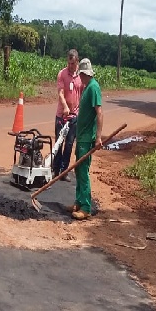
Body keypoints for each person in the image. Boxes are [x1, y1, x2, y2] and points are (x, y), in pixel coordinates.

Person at [71, 58, 103, 220]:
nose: (80, 78)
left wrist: (98, 137)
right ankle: (78, 201)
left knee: (83, 171)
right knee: (78, 170)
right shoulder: (86, 87)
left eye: (81, 75)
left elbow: (99, 113)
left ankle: (85, 207)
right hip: (81, 136)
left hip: (87, 138)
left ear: (84, 74)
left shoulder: (93, 88)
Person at [52, 49, 83, 182]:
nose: (70, 66)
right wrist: (65, 106)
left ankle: (64, 171)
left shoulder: (81, 77)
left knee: (69, 144)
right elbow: (60, 93)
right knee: (59, 143)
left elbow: (82, 94)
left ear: (77, 62)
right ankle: (56, 170)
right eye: (69, 63)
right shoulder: (62, 74)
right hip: (61, 115)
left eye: (73, 63)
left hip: (74, 116)